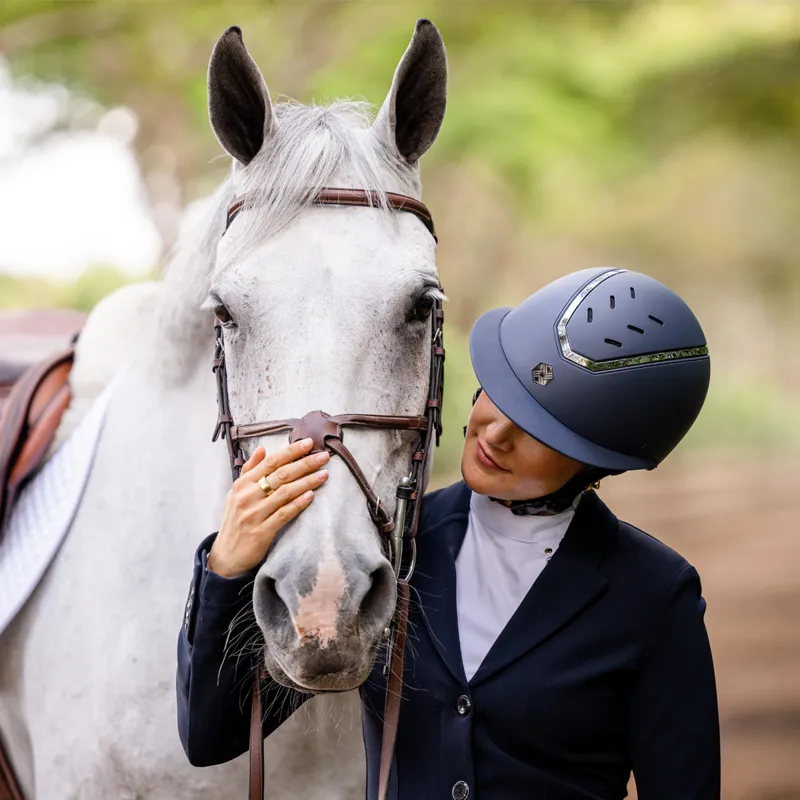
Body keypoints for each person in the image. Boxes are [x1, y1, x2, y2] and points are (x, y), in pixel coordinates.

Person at [177, 267, 721, 799]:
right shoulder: (393, 549)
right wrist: (226, 563)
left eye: (540, 429)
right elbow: (211, 735)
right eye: (499, 393)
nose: (496, 432)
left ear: (598, 462)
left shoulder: (654, 594)